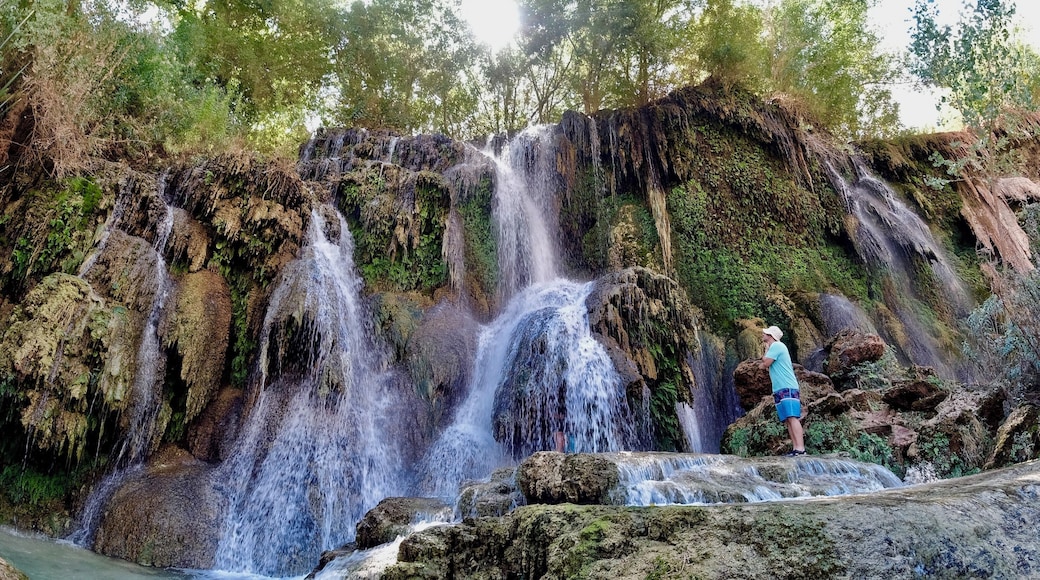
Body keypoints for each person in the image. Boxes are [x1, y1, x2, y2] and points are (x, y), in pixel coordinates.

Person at [760, 325, 805, 457]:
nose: (763, 334)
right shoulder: (773, 348)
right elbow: (765, 364)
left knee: (792, 417)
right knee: (787, 419)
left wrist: (765, 357)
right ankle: (796, 448)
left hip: (787, 386)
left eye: (765, 333)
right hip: (780, 388)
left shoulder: (777, 346)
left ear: (771, 336)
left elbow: (766, 363)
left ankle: (800, 449)